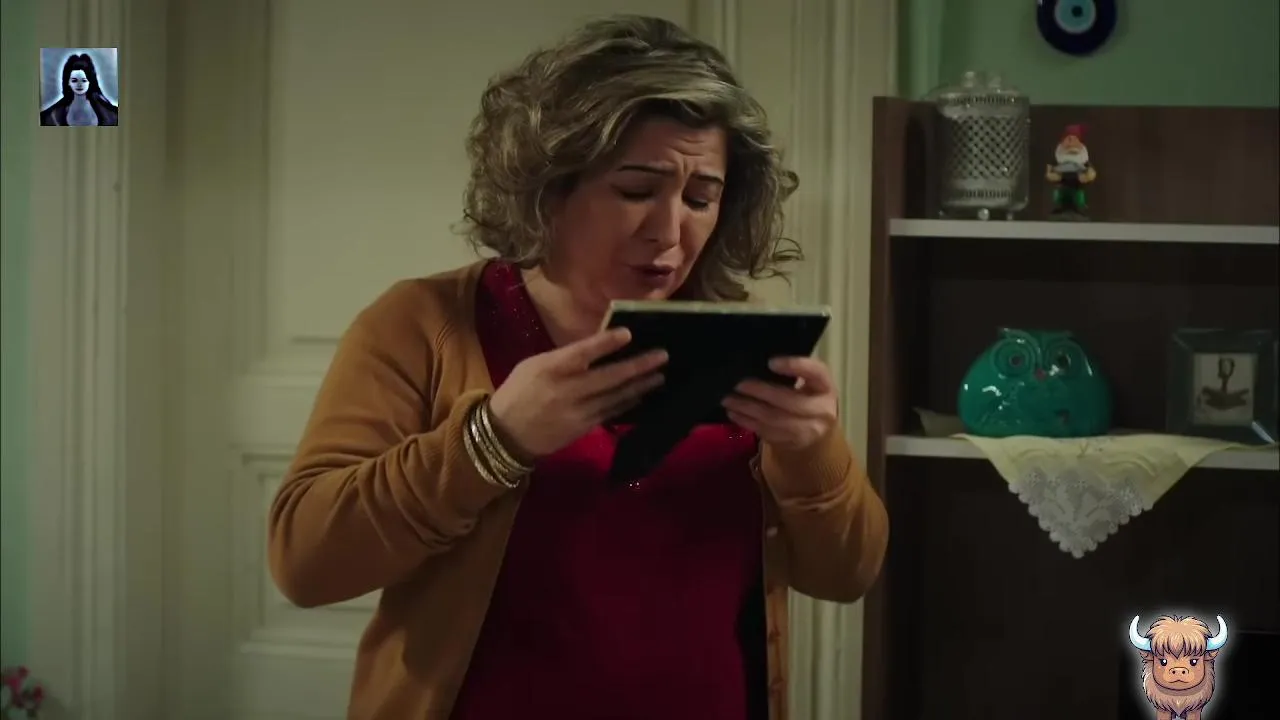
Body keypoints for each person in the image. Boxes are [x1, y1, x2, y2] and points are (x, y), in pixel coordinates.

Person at [268, 15, 888, 720]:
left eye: (700, 198)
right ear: (551, 187)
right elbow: (305, 562)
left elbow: (849, 575)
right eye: (635, 190)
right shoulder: (424, 324)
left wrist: (811, 453)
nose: (669, 231)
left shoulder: (738, 341)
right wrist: (494, 441)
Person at [39, 52, 119, 126]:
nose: (79, 85)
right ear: (68, 82)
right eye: (74, 80)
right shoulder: (50, 116)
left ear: (90, 82)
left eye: (84, 80)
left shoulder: (112, 114)